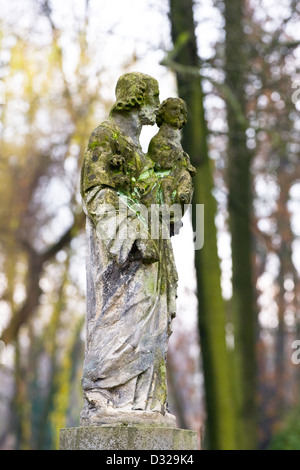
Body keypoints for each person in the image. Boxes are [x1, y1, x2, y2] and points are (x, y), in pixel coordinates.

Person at [80, 72, 178, 427]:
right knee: (122, 317)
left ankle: (143, 402)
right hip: (123, 254)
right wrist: (132, 234)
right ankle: (104, 393)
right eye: (153, 99)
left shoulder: (140, 148)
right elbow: (96, 191)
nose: (157, 109)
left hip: (152, 254)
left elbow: (155, 198)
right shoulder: (106, 136)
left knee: (148, 323)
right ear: (137, 100)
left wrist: (173, 187)